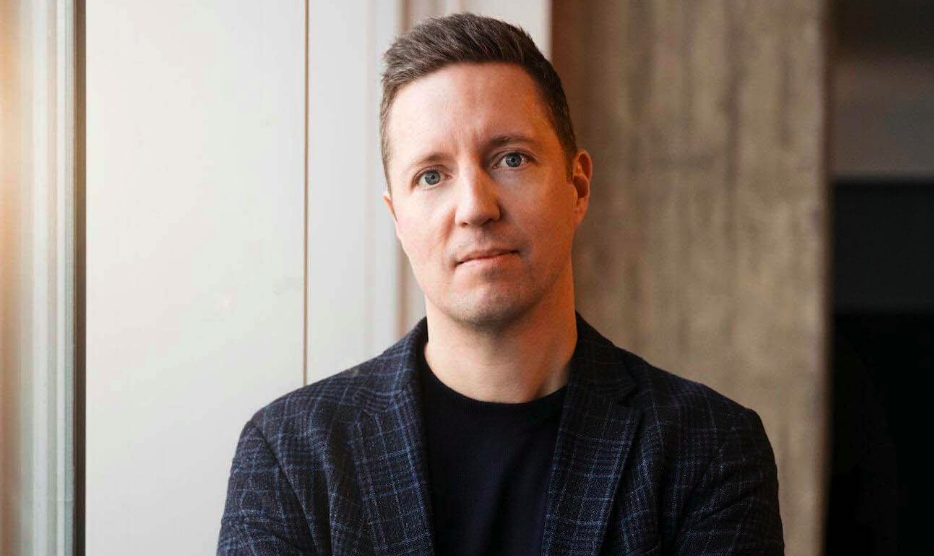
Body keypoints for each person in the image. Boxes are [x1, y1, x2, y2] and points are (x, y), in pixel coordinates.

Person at [218, 13, 784, 556]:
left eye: (511, 159)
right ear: (398, 220)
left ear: (578, 187)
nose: (475, 207)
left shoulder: (708, 447)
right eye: (431, 176)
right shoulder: (290, 454)